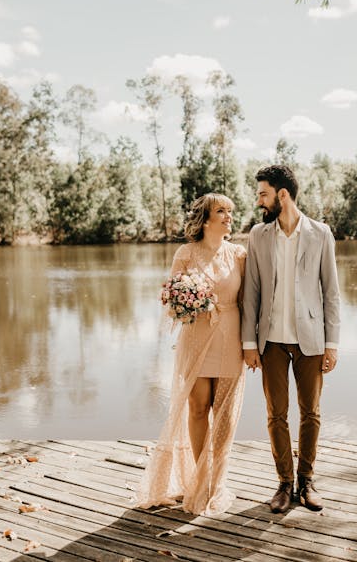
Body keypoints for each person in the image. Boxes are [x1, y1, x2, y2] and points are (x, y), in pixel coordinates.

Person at [136, 193, 246, 516]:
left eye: (230, 211)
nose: (228, 216)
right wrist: (186, 299)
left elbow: (251, 299)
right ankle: (201, 478)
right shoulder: (185, 253)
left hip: (231, 337)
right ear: (206, 219)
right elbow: (171, 300)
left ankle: (216, 482)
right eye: (221, 211)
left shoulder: (238, 254)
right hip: (197, 337)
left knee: (224, 415)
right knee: (198, 408)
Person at [242, 165, 340, 513]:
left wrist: (332, 343)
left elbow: (331, 292)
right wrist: (248, 344)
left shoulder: (320, 233)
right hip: (269, 342)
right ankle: (284, 484)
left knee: (310, 413)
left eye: (263, 193)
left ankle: (306, 481)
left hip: (310, 341)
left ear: (282, 195)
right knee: (275, 415)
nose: (259, 200)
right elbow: (251, 291)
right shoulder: (257, 235)